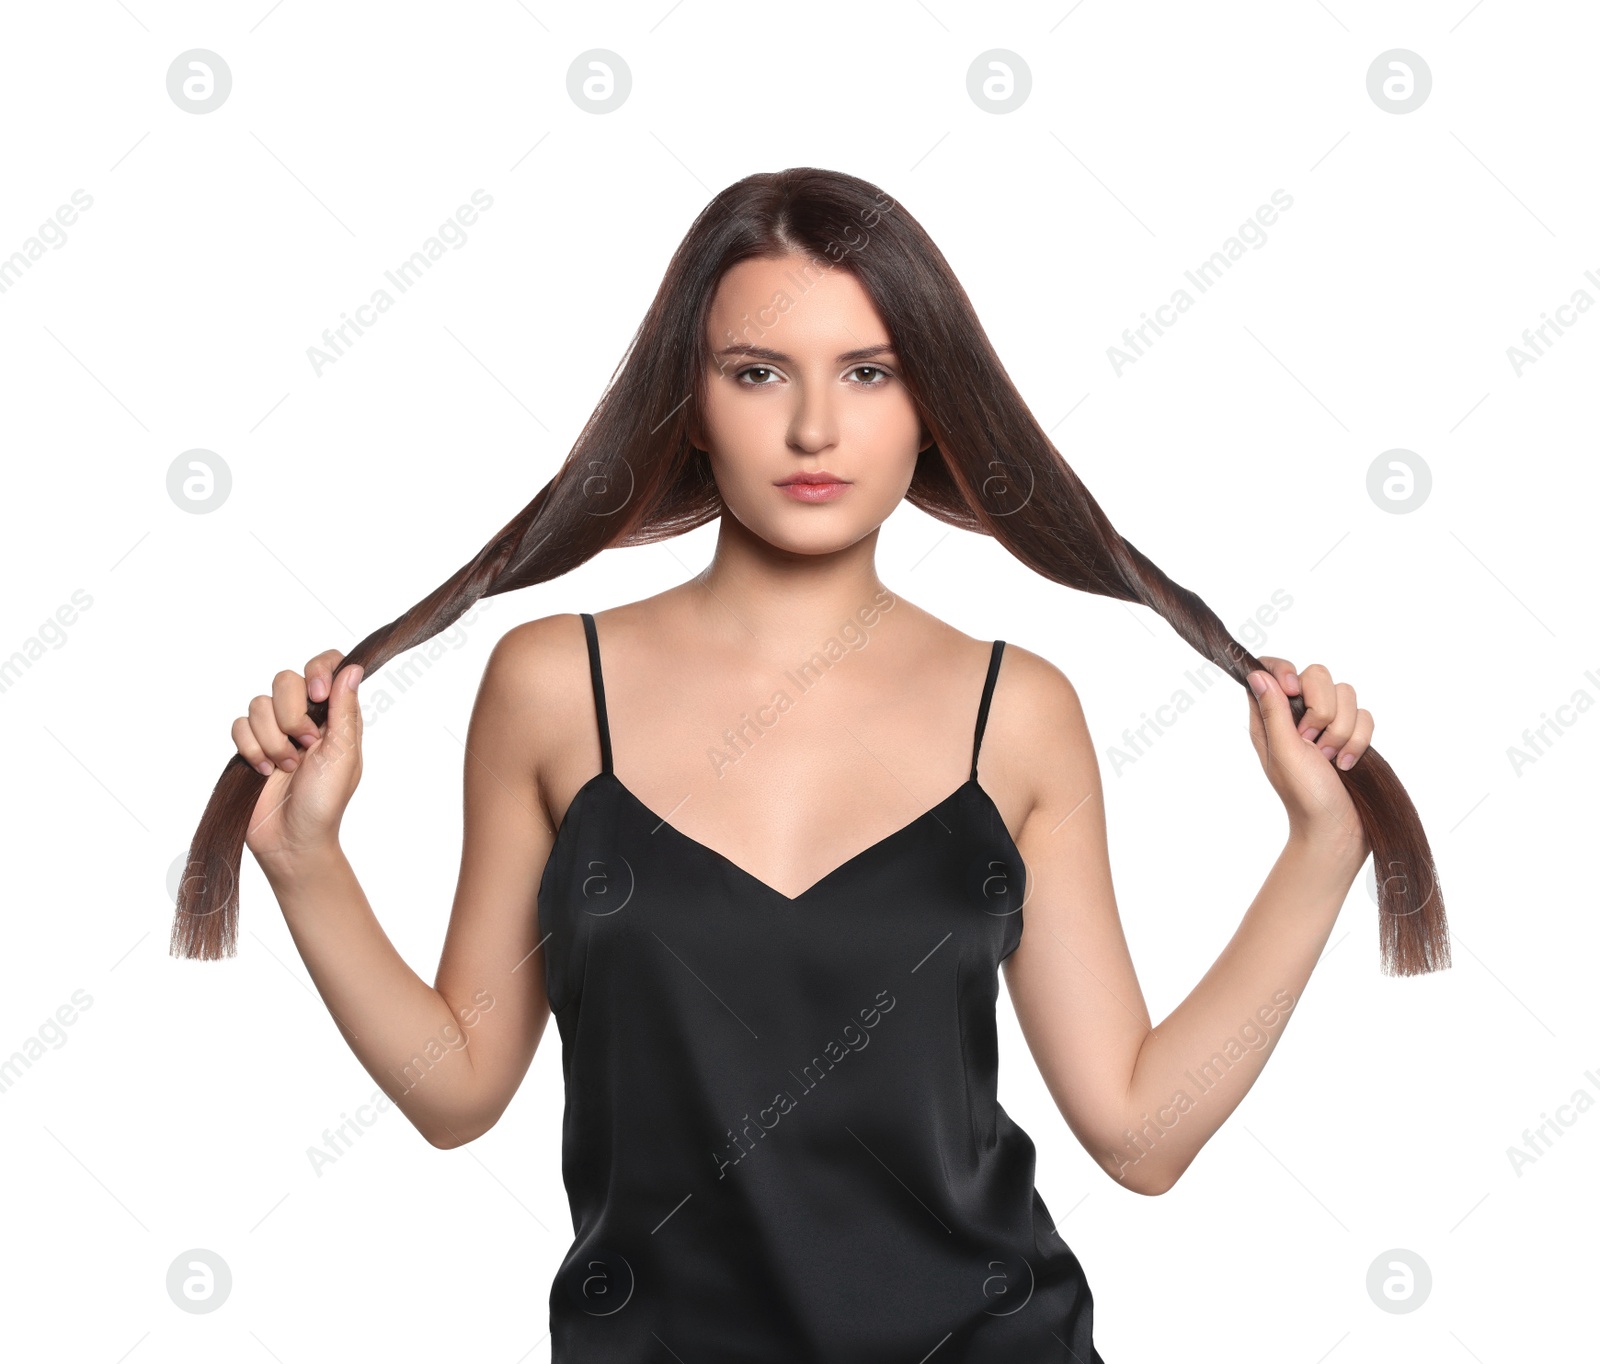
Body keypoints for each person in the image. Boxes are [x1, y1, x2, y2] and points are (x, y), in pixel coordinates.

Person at [223, 169, 1386, 1360]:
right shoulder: (551, 685)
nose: (814, 428)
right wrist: (305, 862)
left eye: (870, 371)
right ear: (690, 400)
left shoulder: (1017, 711)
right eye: (758, 370)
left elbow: (1141, 1132)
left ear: (933, 403)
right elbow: (457, 1087)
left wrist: (1322, 846)